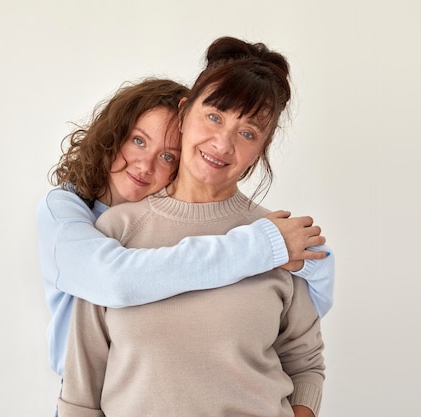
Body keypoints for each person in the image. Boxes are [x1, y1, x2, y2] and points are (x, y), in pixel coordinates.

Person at [57, 37, 329, 417]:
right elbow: (81, 391)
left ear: (262, 147)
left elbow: (305, 365)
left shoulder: (281, 237)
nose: (223, 143)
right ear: (184, 113)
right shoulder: (115, 231)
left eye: (248, 132)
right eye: (214, 116)